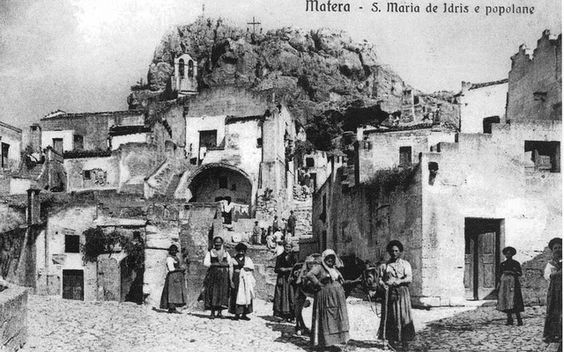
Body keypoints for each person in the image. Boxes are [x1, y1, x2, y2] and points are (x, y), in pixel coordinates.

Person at [305, 249, 350, 349]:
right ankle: (323, 343)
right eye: (328, 258)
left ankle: (333, 342)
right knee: (326, 319)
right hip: (324, 298)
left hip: (336, 299)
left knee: (335, 319)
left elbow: (341, 281)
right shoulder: (320, 267)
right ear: (324, 258)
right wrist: (318, 283)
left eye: (332, 258)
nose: (330, 260)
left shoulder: (334, 269)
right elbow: (309, 275)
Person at [377, 240, 416, 349]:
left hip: (402, 294)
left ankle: (405, 342)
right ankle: (391, 341)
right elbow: (379, 279)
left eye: (396, 251)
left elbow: (409, 278)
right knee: (390, 317)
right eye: (392, 251)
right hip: (389, 294)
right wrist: (383, 284)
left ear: (400, 252)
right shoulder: (384, 266)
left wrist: (399, 281)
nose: (394, 253)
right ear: (389, 252)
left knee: (404, 317)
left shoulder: (405, 264)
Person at [203, 236, 233, 319]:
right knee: (213, 292)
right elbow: (206, 263)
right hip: (213, 274)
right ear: (214, 243)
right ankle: (212, 312)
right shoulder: (211, 252)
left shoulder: (226, 253)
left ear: (222, 243)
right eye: (216, 242)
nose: (217, 244)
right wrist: (214, 264)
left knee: (222, 292)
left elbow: (230, 262)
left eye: (219, 243)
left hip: (223, 275)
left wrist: (224, 265)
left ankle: (220, 312)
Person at [496, 246, 524, 325]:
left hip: (514, 284)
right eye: (506, 254)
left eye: (510, 254)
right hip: (504, 284)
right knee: (506, 299)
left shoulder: (516, 263)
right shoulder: (503, 264)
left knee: (515, 300)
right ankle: (509, 319)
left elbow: (520, 273)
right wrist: (499, 284)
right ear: (505, 255)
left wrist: (512, 272)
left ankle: (519, 319)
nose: (508, 255)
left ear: (512, 254)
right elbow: (499, 274)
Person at [229, 243, 255, 321]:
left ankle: (245, 313)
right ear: (237, 251)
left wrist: (247, 270)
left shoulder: (247, 259)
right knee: (236, 295)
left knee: (246, 294)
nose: (241, 253)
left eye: (243, 251)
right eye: (239, 251)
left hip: (245, 279)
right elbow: (230, 270)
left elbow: (251, 268)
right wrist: (231, 281)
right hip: (236, 278)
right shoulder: (233, 259)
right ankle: (236, 313)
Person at [543, 237, 562, 344]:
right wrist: (555, 274)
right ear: (552, 250)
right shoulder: (551, 264)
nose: (558, 250)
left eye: (560, 247)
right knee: (554, 311)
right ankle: (553, 334)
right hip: (555, 291)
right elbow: (547, 276)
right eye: (556, 248)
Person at [273, 241, 297, 322]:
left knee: (291, 297)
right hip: (282, 279)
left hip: (291, 279)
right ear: (284, 247)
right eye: (286, 247)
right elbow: (276, 269)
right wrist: (281, 269)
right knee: (282, 297)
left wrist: (288, 269)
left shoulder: (294, 257)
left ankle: (292, 316)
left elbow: (296, 268)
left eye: (289, 247)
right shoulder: (279, 257)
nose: (287, 248)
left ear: (291, 248)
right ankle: (284, 316)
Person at [159, 245, 186, 313]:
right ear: (170, 251)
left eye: (175, 250)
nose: (173, 252)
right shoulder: (169, 258)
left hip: (177, 275)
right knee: (171, 292)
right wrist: (180, 269)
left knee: (176, 292)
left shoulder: (176, 257)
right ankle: (171, 307)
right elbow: (171, 269)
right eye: (172, 250)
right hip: (172, 276)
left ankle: (173, 307)